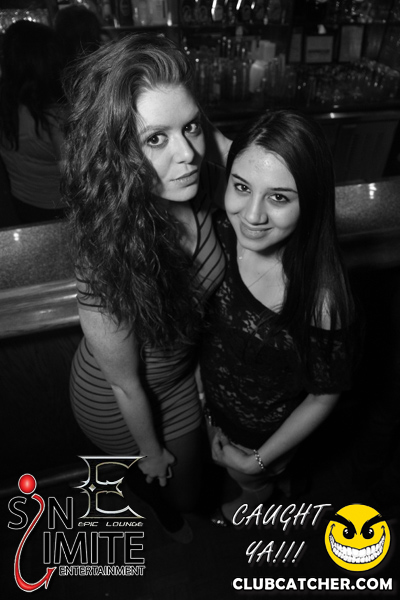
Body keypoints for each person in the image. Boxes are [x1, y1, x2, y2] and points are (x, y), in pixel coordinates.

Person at [62, 33, 230, 538]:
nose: (187, 154)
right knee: (174, 487)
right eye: (156, 139)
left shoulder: (196, 183)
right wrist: (150, 451)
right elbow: (124, 383)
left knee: (193, 484)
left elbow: (252, 162)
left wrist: (196, 128)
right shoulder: (106, 254)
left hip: (180, 378)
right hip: (119, 401)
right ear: (116, 154)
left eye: (191, 127)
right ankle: (149, 496)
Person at [199, 110, 356, 524]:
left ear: (311, 202)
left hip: (264, 433)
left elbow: (324, 395)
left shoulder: (320, 297)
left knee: (248, 481)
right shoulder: (219, 234)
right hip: (216, 405)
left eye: (279, 197)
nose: (251, 216)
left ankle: (257, 499)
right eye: (242, 187)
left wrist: (259, 462)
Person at [0, 20, 65, 224]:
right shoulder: (53, 115)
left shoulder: (7, 105)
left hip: (21, 203)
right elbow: (77, 177)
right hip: (61, 210)